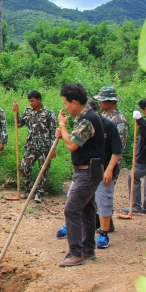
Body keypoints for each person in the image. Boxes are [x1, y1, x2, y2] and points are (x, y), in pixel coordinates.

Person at [56, 83, 104, 267]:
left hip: (87, 172)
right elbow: (72, 139)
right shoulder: (83, 118)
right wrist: (63, 132)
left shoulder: (88, 119)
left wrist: (62, 125)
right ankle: (87, 250)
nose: (66, 107)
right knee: (87, 210)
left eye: (66, 103)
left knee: (72, 209)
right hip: (85, 170)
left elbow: (72, 145)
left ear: (74, 102)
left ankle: (76, 252)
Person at [94, 86, 128, 233]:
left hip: (111, 163)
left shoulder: (119, 119)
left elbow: (119, 146)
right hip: (99, 161)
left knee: (105, 193)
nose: (100, 103)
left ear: (110, 101)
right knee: (97, 192)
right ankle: (98, 221)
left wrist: (110, 167)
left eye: (102, 100)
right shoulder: (103, 115)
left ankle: (107, 224)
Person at [13, 90, 57, 202]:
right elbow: (19, 124)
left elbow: (53, 132)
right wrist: (16, 113)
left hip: (45, 147)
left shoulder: (48, 113)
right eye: (29, 101)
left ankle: (39, 193)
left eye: (32, 101)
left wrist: (53, 148)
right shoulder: (28, 111)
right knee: (24, 167)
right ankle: (29, 191)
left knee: (43, 170)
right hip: (31, 146)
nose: (31, 103)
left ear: (39, 100)